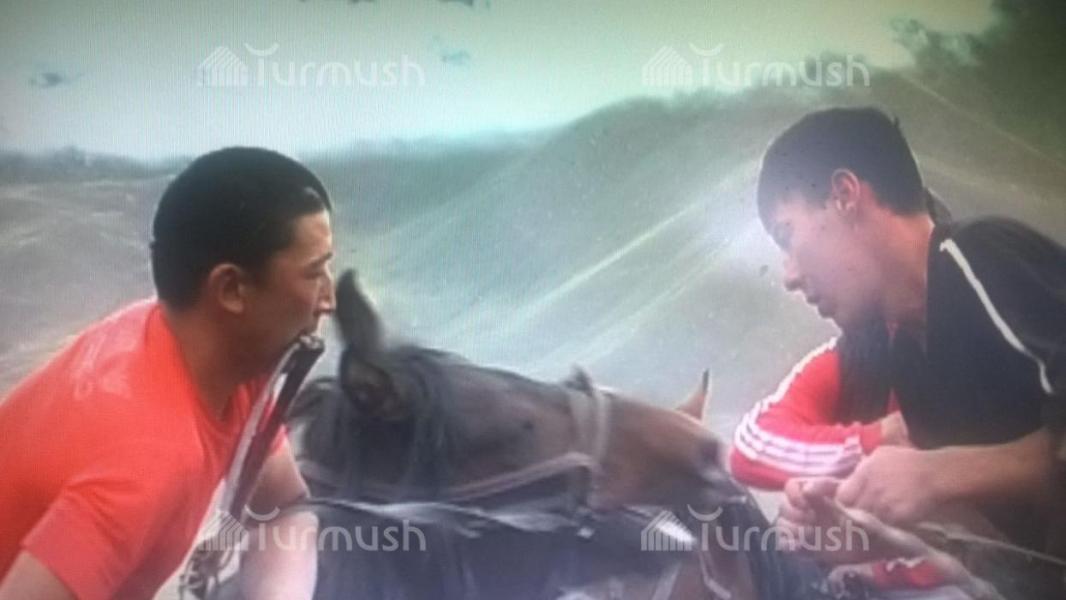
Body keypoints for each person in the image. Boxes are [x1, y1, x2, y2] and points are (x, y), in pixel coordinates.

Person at [0, 147, 336, 600]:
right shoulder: (148, 460)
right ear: (232, 289)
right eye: (314, 274)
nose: (329, 299)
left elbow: (283, 506)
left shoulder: (216, 354)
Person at [754, 107, 1066, 555]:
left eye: (787, 236)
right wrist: (860, 531)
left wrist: (939, 473)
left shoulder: (979, 256)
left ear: (844, 195)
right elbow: (1019, 539)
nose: (788, 277)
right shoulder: (904, 352)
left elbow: (958, 476)